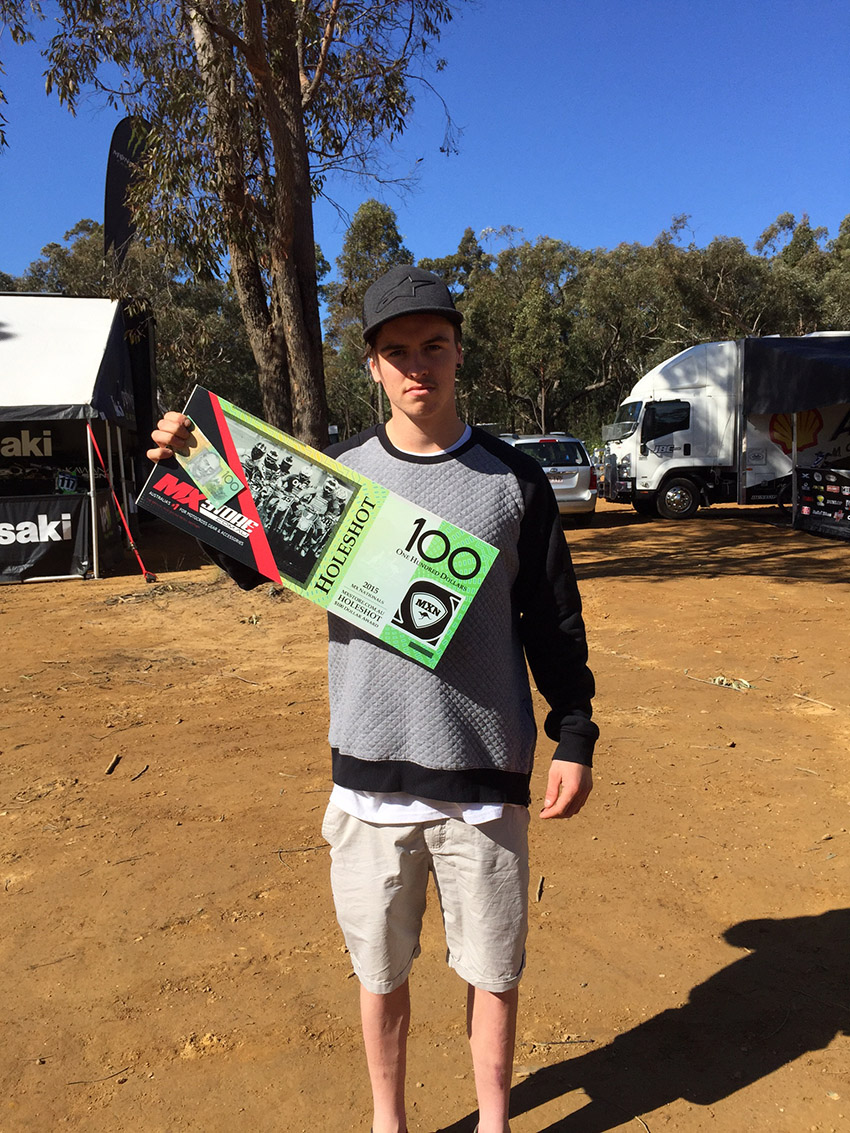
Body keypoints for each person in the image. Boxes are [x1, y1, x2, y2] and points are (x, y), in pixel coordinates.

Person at [147, 265, 598, 1133]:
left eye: (434, 346)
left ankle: (494, 1122)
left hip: (483, 781)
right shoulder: (337, 475)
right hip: (368, 784)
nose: (417, 365)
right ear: (373, 366)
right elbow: (247, 559)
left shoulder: (513, 482)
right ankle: (388, 1121)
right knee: (379, 975)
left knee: (493, 972)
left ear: (459, 352)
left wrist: (573, 732)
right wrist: (193, 459)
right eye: (398, 352)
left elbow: (552, 619)